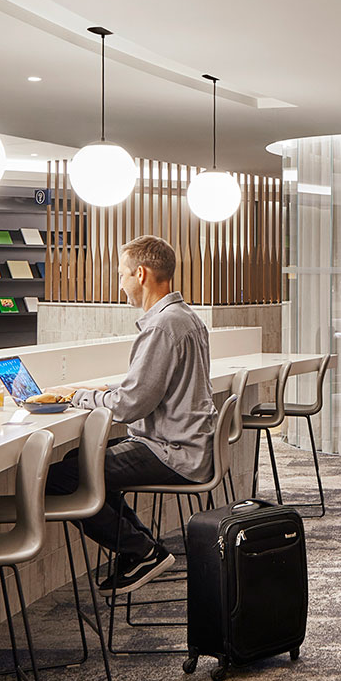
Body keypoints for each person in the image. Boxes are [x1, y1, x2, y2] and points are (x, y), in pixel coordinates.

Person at [48, 234, 216, 593]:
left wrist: (78, 395)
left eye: (121, 274)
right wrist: (101, 391)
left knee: (61, 479)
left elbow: (129, 407)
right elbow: (147, 390)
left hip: (173, 452)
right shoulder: (185, 317)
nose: (120, 284)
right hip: (186, 443)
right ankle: (141, 550)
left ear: (140, 274)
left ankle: (142, 550)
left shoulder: (162, 326)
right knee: (80, 459)